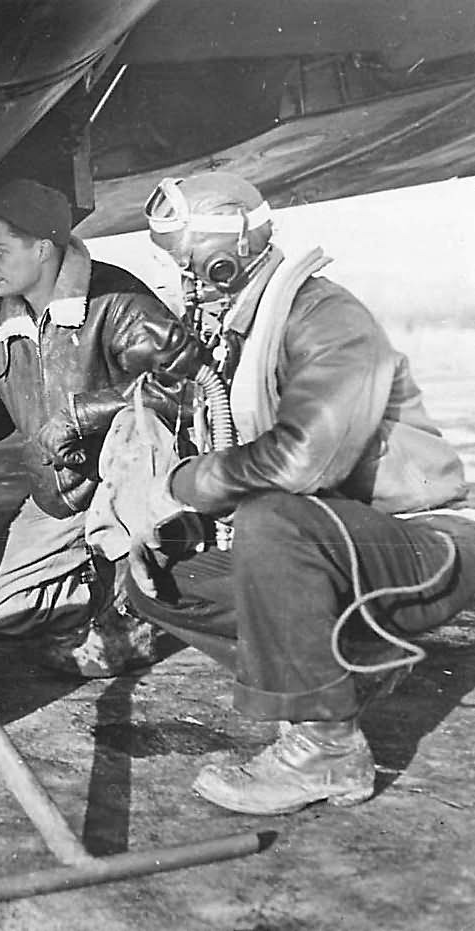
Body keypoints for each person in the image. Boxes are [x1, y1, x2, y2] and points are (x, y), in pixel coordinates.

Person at [119, 170, 475, 814]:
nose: (184, 280)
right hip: (349, 547)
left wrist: (184, 484)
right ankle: (352, 672)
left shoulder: (326, 317)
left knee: (274, 522)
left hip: (429, 546)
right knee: (164, 580)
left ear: (224, 256)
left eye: (187, 262)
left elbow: (300, 463)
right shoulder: (241, 332)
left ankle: (327, 748)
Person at [0, 178, 205, 675]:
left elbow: (189, 389)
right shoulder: (6, 328)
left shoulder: (117, 303)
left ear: (41, 249)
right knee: (3, 613)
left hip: (129, 485)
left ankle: (136, 614)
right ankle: (124, 581)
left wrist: (83, 413)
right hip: (65, 496)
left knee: (136, 432)